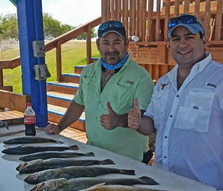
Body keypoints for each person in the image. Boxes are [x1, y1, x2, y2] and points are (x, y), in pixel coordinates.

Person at [128, 14, 223, 191]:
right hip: (163, 183)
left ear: (204, 40)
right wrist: (137, 122)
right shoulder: (164, 82)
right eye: (176, 39)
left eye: (189, 37)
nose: (182, 44)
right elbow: (151, 124)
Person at [45, 20, 154, 162]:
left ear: (126, 43)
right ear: (98, 45)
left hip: (129, 160)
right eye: (106, 43)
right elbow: (78, 104)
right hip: (93, 153)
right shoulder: (88, 71)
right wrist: (60, 127)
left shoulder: (141, 76)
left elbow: (147, 120)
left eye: (116, 42)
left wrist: (120, 120)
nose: (111, 49)